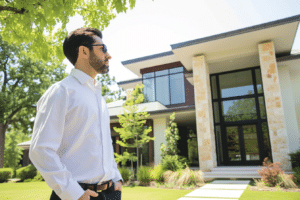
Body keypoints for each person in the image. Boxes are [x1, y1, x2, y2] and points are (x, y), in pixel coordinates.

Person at [29, 27, 123, 200]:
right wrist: (73, 193)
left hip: (110, 193)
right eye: (103, 48)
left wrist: (116, 178)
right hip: (77, 196)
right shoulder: (61, 91)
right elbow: (40, 150)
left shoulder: (99, 97)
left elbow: (105, 144)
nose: (108, 55)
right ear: (84, 51)